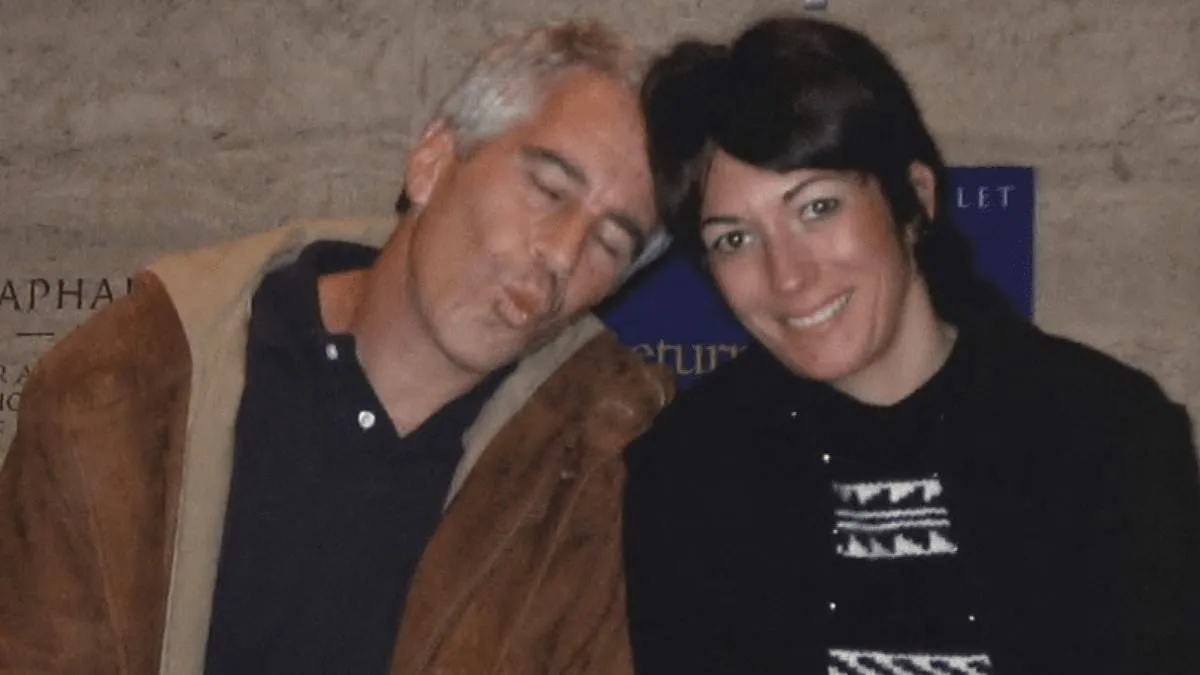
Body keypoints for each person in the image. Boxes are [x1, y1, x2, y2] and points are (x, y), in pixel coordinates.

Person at [0, 20, 675, 675]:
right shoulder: (125, 388)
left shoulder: (606, 474)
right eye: (549, 189)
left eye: (610, 241)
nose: (562, 252)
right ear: (433, 160)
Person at [623, 15, 1200, 675]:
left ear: (914, 199)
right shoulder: (688, 477)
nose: (788, 276)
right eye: (734, 238)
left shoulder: (1107, 437)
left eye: (817, 207)